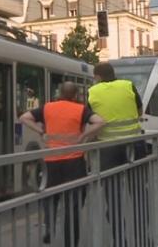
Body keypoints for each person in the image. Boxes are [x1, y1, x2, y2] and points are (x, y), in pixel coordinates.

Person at [19, 81, 104, 245]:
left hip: (52, 161)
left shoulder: (48, 108)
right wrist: (83, 136)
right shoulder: (81, 109)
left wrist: (41, 131)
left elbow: (24, 117)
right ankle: (70, 241)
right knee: (73, 206)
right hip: (74, 163)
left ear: (59, 93)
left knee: (50, 197)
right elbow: (100, 122)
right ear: (75, 95)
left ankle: (50, 227)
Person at [87, 62, 145, 170]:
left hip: (108, 147)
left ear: (98, 77)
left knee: (111, 182)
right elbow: (140, 111)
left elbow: (91, 121)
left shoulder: (92, 92)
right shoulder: (128, 85)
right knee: (137, 180)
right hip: (134, 142)